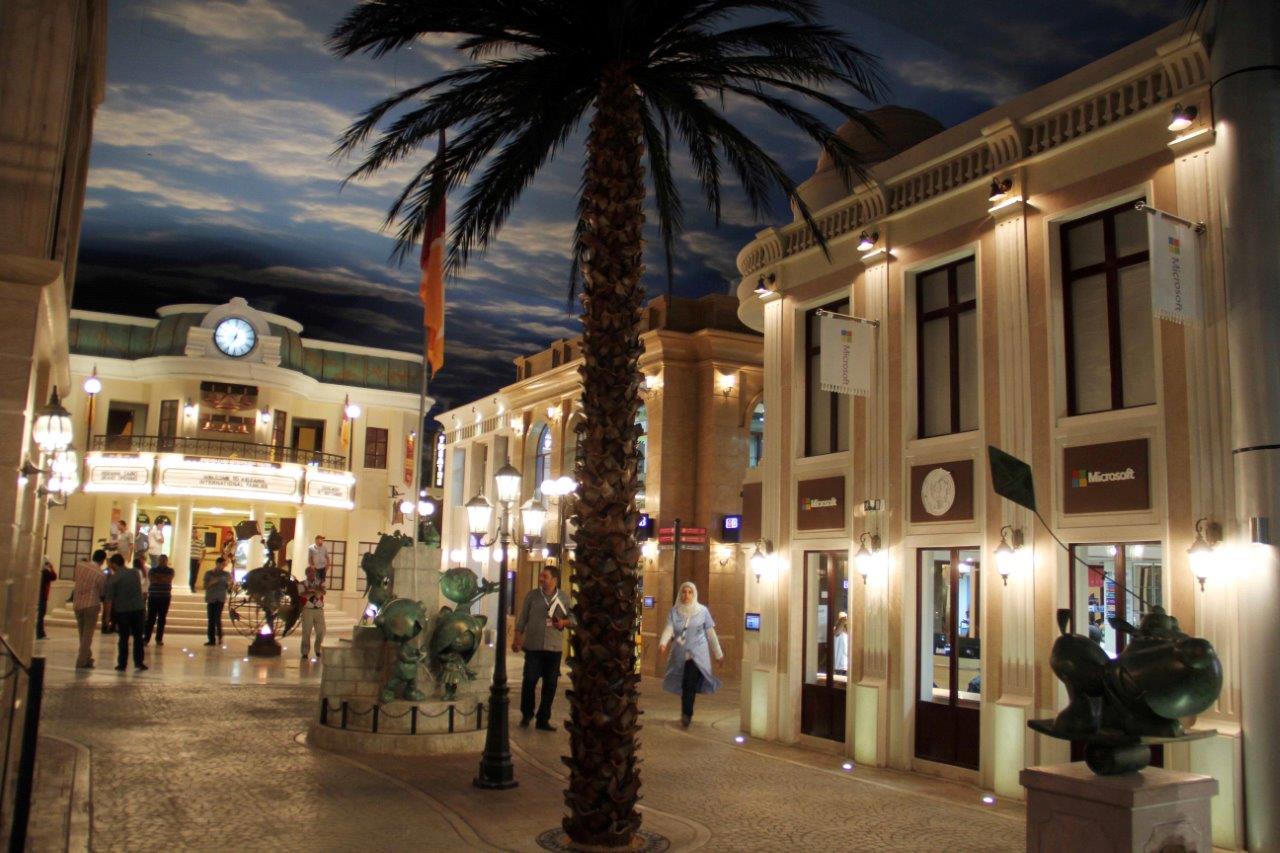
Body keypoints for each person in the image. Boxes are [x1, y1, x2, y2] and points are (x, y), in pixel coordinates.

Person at [513, 566, 572, 731]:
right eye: (541, 576)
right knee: (529, 680)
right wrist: (517, 638)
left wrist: (563, 622)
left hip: (553, 648)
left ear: (554, 579)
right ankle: (526, 714)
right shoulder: (532, 596)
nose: (541, 579)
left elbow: (573, 618)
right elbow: (522, 618)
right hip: (533, 646)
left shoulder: (564, 597)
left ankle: (543, 719)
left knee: (550, 685)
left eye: (545, 576)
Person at [659, 581, 723, 727]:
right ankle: (686, 712)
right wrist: (663, 643)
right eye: (684, 592)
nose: (686, 595)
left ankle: (686, 715)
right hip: (680, 654)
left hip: (697, 655)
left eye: (689, 592)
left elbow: (711, 633)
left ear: (694, 594)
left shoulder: (702, 611)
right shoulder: (674, 612)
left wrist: (718, 654)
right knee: (685, 684)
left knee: (689, 682)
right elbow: (669, 628)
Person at [103, 554, 147, 671]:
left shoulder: (114, 578)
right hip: (138, 609)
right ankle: (139, 662)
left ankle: (122, 664)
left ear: (114, 564)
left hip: (123, 611)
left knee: (123, 638)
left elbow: (108, 600)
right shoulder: (134, 573)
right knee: (138, 637)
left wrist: (107, 617)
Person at [72, 549, 107, 668]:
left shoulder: (80, 566)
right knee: (87, 635)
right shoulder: (100, 574)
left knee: (82, 633)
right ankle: (81, 661)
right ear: (103, 560)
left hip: (77, 603)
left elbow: (74, 578)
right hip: (91, 604)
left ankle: (87, 657)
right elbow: (102, 592)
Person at [144, 554, 175, 646]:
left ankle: (159, 639)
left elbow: (168, 580)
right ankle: (146, 638)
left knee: (162, 618)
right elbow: (152, 579)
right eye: (161, 560)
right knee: (150, 618)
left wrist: (158, 577)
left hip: (165, 597)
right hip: (153, 597)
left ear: (166, 561)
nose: (162, 562)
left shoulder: (170, 570)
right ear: (158, 561)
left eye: (164, 560)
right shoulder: (152, 570)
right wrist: (162, 578)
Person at [299, 566, 326, 659]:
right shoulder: (302, 583)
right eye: (309, 572)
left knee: (321, 631)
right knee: (306, 632)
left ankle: (318, 650)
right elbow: (302, 594)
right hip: (307, 610)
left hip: (319, 610)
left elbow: (323, 592)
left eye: (313, 572)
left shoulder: (320, 582)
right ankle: (305, 651)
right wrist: (315, 591)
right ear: (306, 573)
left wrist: (311, 591)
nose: (312, 574)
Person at [203, 556, 231, 646]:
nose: (223, 566)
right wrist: (211, 583)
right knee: (211, 619)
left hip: (220, 598)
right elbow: (205, 586)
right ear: (217, 564)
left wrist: (230, 585)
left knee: (217, 618)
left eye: (224, 565)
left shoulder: (226, 574)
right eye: (222, 564)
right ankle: (211, 639)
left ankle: (220, 636)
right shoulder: (209, 573)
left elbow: (229, 588)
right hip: (211, 598)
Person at [36, 557, 57, 639]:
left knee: (40, 615)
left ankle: (40, 633)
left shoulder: (42, 572)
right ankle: (40, 633)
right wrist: (51, 568)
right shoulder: (45, 572)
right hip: (43, 596)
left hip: (41, 596)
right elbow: (54, 577)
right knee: (41, 615)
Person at [832, 612, 849, 677]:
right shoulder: (836, 630)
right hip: (839, 666)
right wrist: (843, 619)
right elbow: (837, 632)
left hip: (847, 665)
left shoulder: (847, 633)